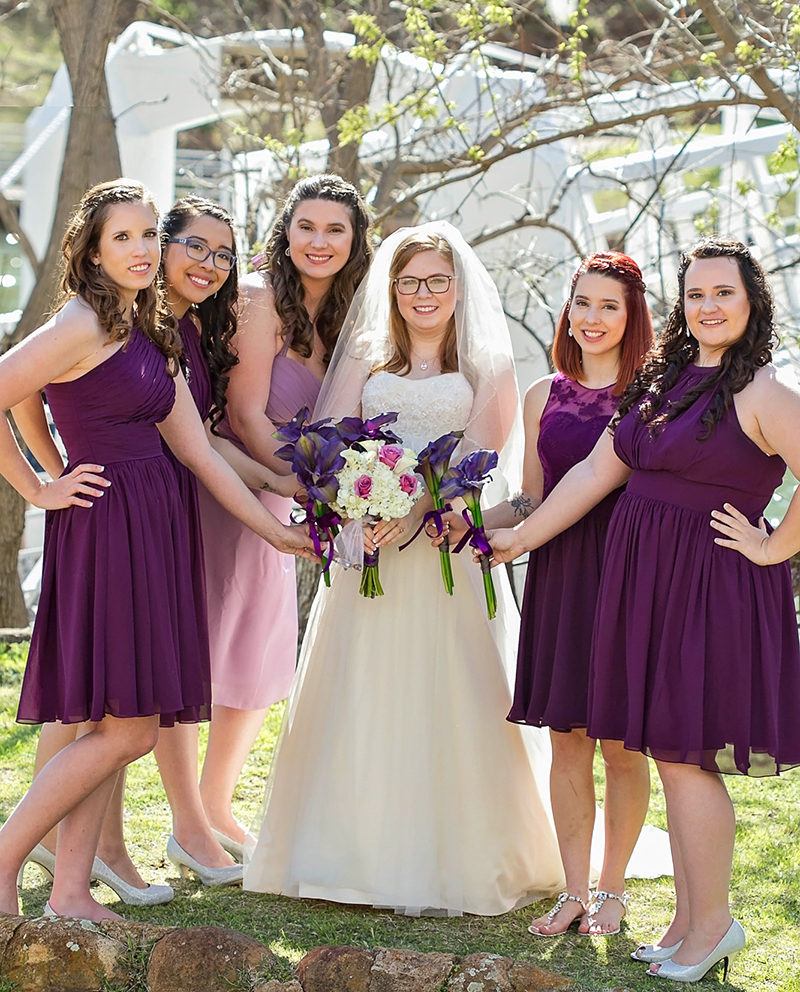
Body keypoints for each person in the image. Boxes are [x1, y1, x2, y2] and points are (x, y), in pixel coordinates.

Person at [484, 237, 800, 979]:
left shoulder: (763, 391)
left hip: (710, 588)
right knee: (668, 753)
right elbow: (596, 471)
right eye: (695, 294)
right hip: (646, 583)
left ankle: (713, 926)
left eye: (723, 292)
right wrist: (521, 536)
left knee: (689, 761)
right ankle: (690, 920)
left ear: (751, 301)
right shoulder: (667, 380)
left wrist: (774, 548)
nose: (708, 306)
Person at [0, 180, 314, 921]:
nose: (141, 250)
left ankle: (72, 891)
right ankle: (8, 856)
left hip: (157, 530)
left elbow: (201, 454)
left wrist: (279, 531)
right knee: (129, 727)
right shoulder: (80, 322)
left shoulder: (149, 330)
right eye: (125, 238)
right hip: (108, 529)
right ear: (93, 249)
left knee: (120, 723)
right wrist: (40, 484)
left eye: (147, 236)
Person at [244, 223, 564, 916]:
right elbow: (326, 444)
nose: (423, 293)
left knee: (447, 691)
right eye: (410, 281)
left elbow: (478, 457)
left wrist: (413, 504)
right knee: (364, 686)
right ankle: (347, 850)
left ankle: (462, 852)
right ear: (392, 289)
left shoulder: (488, 367)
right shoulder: (366, 356)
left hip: (440, 550)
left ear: (457, 289)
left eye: (436, 281)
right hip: (369, 554)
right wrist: (357, 503)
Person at [445, 252, 656, 936]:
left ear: (633, 318)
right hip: (560, 577)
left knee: (623, 747)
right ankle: (572, 890)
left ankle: (613, 892)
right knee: (568, 742)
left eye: (609, 307)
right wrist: (473, 521)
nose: (592, 319)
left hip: (630, 579)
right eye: (582, 304)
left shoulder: (656, 393)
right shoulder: (545, 395)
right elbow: (531, 497)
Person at [195, 174, 373, 858]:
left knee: (261, 652)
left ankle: (216, 804)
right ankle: (191, 813)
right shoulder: (261, 297)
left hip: (288, 493)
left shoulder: (355, 312)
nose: (319, 242)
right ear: (286, 231)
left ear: (356, 241)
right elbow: (242, 412)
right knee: (211, 645)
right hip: (235, 484)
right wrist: (312, 486)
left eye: (335, 230)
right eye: (307, 227)